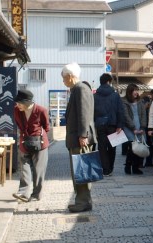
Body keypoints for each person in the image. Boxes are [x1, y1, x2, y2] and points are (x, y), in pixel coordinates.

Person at [62, 62, 97, 213]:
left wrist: (83, 135)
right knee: (80, 170)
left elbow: (84, 113)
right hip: (77, 137)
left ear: (70, 76)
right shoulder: (77, 89)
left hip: (80, 138)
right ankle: (82, 200)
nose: (63, 81)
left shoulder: (80, 88)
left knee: (81, 171)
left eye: (64, 78)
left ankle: (82, 202)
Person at [12, 90, 50, 202]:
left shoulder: (41, 110)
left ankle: (36, 194)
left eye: (20, 103)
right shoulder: (16, 110)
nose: (17, 105)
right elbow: (18, 124)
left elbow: (46, 127)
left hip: (40, 143)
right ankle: (23, 193)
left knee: (39, 170)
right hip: (24, 141)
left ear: (28, 102)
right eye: (17, 102)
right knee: (24, 167)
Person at [94, 73, 126, 176]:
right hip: (113, 124)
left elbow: (93, 111)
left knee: (102, 147)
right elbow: (120, 111)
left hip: (100, 124)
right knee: (112, 147)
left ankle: (105, 169)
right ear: (109, 82)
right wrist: (120, 125)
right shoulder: (115, 95)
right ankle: (110, 168)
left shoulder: (95, 96)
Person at [122, 84, 147, 175]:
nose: (136, 92)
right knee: (132, 147)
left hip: (139, 126)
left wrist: (143, 127)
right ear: (129, 91)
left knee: (139, 147)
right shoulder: (124, 102)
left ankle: (136, 167)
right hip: (129, 127)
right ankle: (128, 166)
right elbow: (126, 116)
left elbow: (144, 115)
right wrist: (133, 128)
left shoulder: (140, 101)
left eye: (137, 90)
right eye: (134, 90)